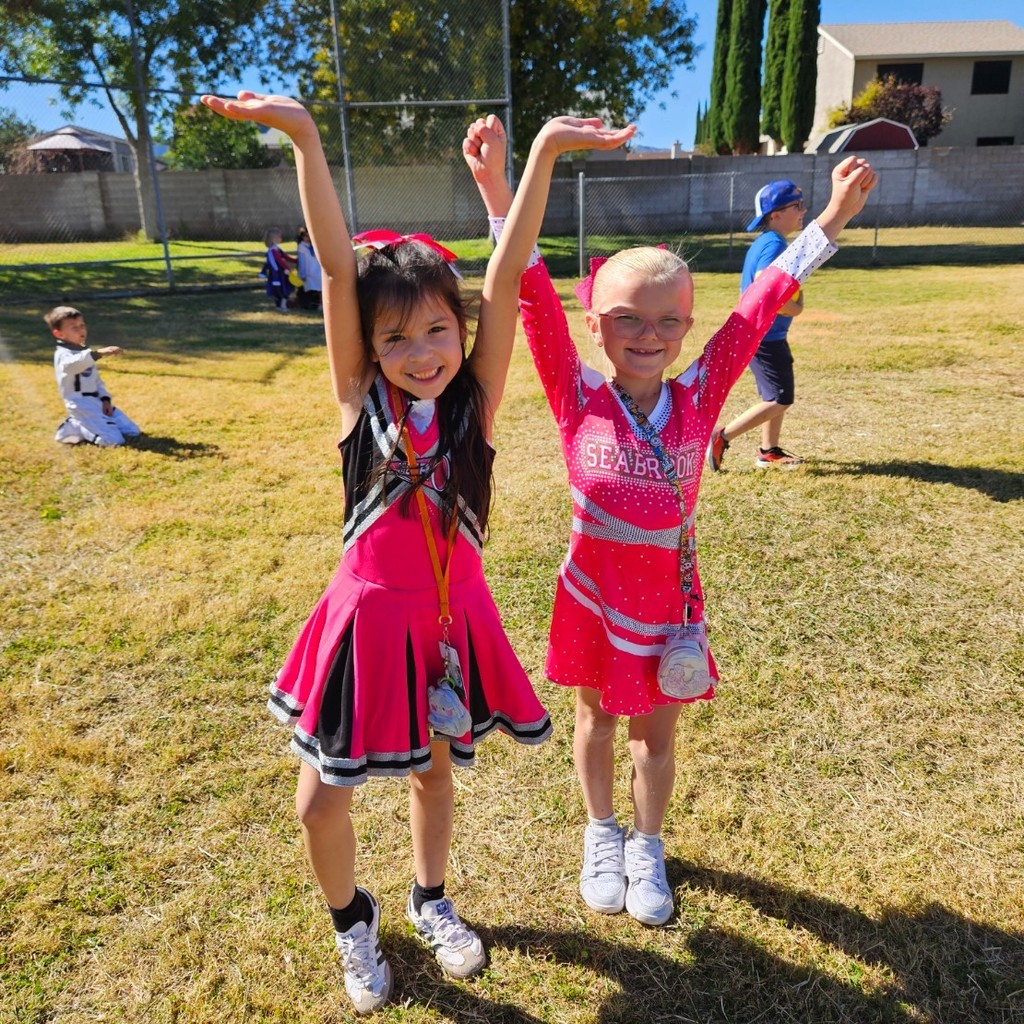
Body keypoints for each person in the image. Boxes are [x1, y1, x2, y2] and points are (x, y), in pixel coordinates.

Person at [202, 92, 629, 1016]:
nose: (420, 350)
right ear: (370, 346)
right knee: (321, 804)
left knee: (434, 774)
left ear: (461, 330)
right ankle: (352, 922)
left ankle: (430, 900)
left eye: (437, 329)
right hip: (364, 621)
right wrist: (306, 138)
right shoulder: (359, 401)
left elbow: (509, 272)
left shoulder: (477, 398)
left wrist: (546, 151)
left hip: (447, 623)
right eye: (395, 336)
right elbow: (332, 264)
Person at [465, 115, 876, 927]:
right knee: (593, 718)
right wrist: (495, 190)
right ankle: (601, 831)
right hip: (589, 589)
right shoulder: (572, 388)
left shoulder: (700, 393)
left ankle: (647, 845)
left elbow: (758, 309)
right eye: (626, 319)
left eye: (666, 322)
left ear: (688, 328)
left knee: (655, 734)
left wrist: (827, 221)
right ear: (595, 326)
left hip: (664, 603)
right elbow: (529, 289)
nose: (646, 336)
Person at [706, 179, 812, 470]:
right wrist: (795, 308)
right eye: (797, 206)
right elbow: (763, 283)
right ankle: (722, 436)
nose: (804, 211)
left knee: (774, 395)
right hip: (765, 336)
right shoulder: (774, 243)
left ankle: (769, 451)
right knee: (780, 398)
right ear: (775, 215)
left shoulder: (768, 241)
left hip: (766, 334)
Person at [46, 305, 141, 447]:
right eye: (74, 327)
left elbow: (96, 381)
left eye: (82, 325)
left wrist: (105, 399)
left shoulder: (85, 353)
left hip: (97, 402)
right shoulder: (63, 355)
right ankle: (79, 426)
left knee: (132, 431)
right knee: (113, 441)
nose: (81, 330)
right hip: (80, 404)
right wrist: (99, 353)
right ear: (59, 334)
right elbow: (73, 365)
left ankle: (79, 425)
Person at [263, 226, 296, 311]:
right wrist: (287, 268)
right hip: (278, 274)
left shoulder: (277, 249)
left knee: (284, 288)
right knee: (282, 289)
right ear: (274, 239)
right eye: (279, 237)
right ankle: (282, 306)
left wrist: (296, 261)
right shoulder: (273, 251)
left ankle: (281, 305)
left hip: (281, 273)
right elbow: (280, 261)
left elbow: (286, 257)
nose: (281, 238)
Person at [295, 225, 323, 310]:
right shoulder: (302, 247)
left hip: (317, 270)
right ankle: (308, 303)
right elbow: (302, 261)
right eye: (305, 236)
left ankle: (320, 304)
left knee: (321, 287)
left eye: (309, 236)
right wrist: (302, 273)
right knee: (309, 287)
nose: (307, 238)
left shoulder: (315, 246)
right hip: (309, 271)